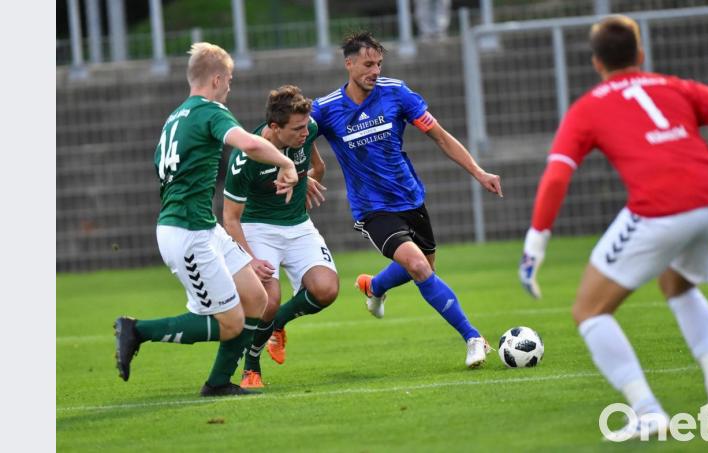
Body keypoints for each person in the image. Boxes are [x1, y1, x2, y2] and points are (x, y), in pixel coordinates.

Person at [518, 15, 708, 439]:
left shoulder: (589, 106)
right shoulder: (675, 86)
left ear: (596, 63)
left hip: (661, 210)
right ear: (640, 55)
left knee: (589, 311)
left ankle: (648, 411)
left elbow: (557, 176)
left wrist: (536, 242)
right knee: (678, 285)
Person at [113, 42, 299, 397]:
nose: (230, 87)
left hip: (201, 225)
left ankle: (218, 383)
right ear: (216, 79)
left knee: (256, 300)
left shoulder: (175, 117)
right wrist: (286, 162)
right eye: (229, 80)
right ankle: (137, 330)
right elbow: (248, 143)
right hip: (187, 232)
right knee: (229, 324)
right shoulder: (210, 111)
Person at [311, 31, 503, 368]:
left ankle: (374, 286)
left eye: (379, 64)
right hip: (372, 209)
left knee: (425, 267)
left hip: (410, 198)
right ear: (349, 63)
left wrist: (478, 171)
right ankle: (474, 337)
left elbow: (440, 137)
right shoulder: (326, 109)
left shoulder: (397, 93)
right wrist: (301, 167)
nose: (375, 70)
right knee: (417, 266)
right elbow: (292, 131)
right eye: (368, 64)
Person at [222, 85, 339, 389]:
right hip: (257, 228)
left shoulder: (308, 129)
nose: (305, 132)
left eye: (306, 126)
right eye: (297, 128)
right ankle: (251, 367)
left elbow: (318, 168)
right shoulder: (247, 157)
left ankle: (278, 326)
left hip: (298, 225)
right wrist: (250, 259)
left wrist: (305, 180)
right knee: (268, 300)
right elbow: (230, 219)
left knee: (326, 290)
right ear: (274, 128)